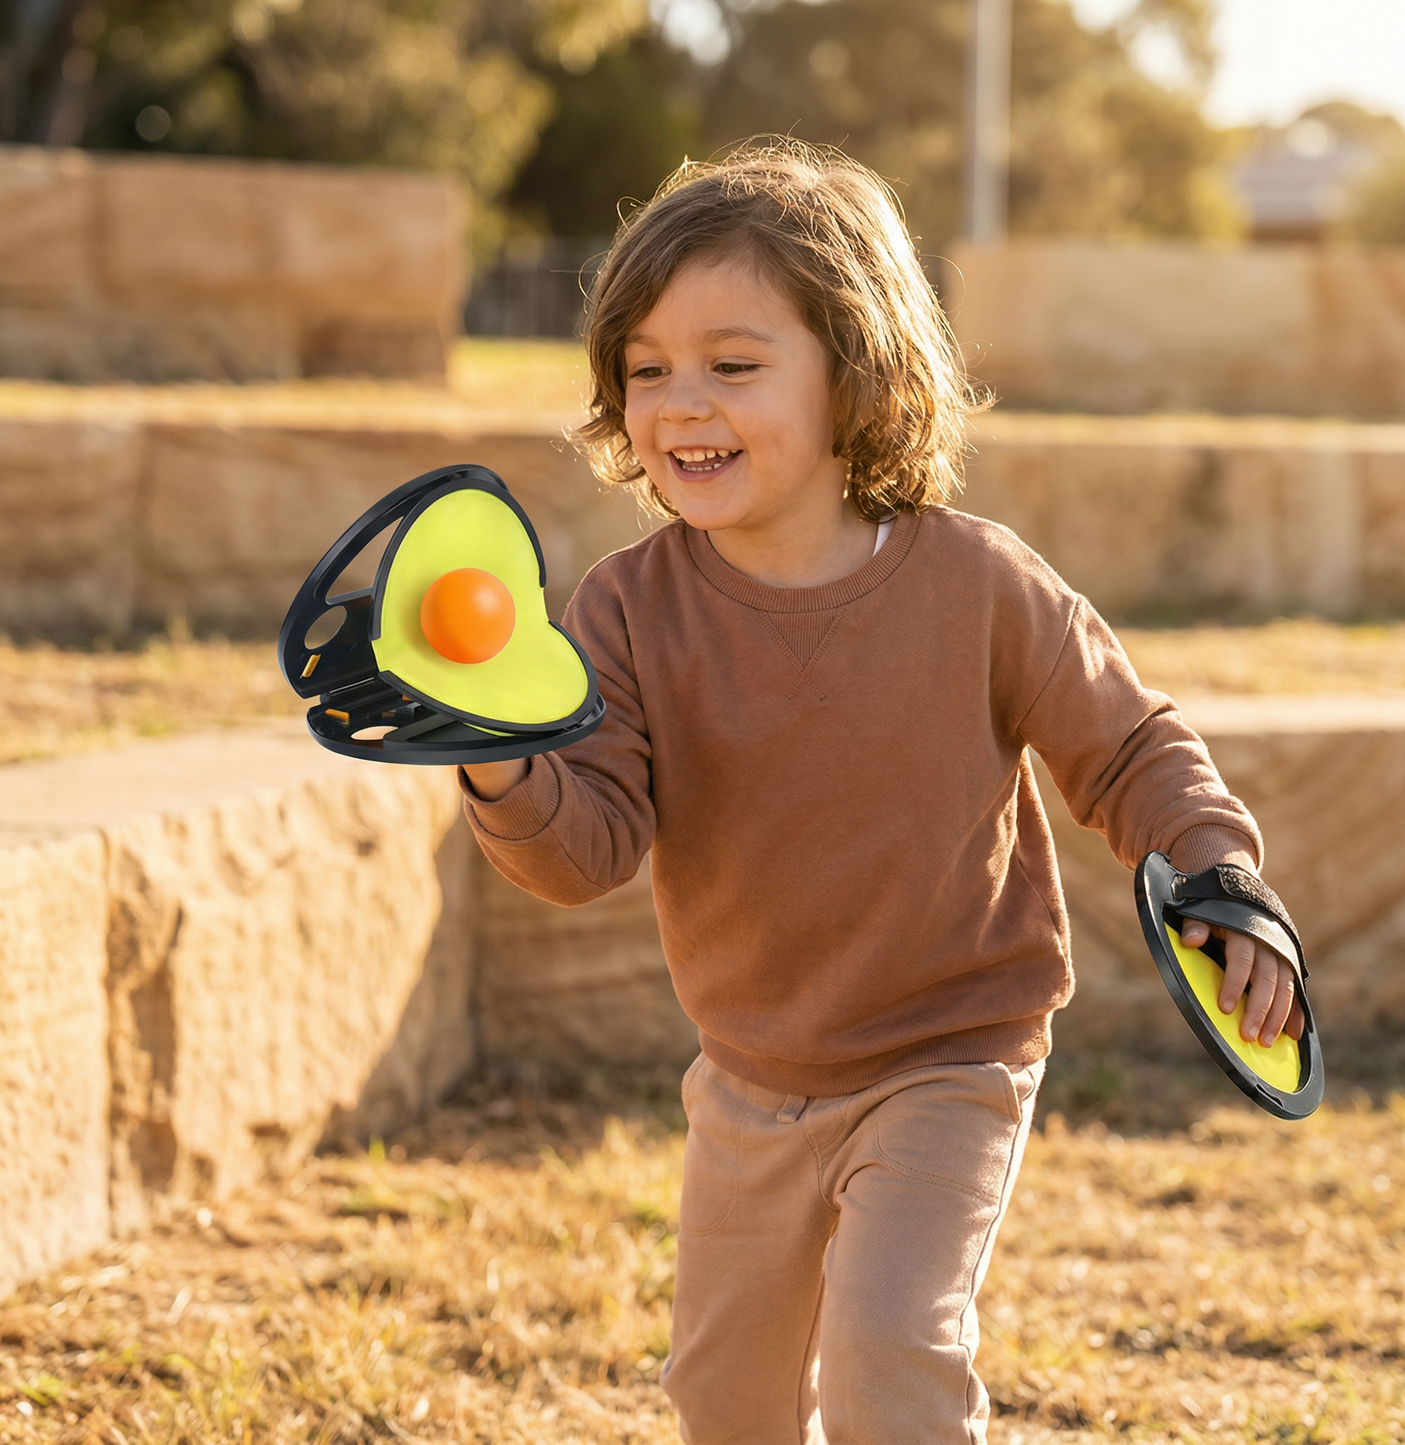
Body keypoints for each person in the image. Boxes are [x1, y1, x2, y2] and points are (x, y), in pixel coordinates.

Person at [456, 141, 1304, 1444]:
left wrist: (1220, 872)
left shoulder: (978, 586)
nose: (682, 401)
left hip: (949, 1056)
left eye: (735, 365)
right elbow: (587, 851)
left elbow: (1129, 747)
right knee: (723, 1402)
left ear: (854, 374)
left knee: (888, 1348)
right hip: (750, 1077)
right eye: (646, 369)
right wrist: (500, 757)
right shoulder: (625, 612)